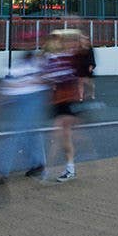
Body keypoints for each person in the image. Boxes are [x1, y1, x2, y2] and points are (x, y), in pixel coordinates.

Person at [0, 49, 48, 208]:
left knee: (16, 133)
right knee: (29, 131)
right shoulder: (22, 64)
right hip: (29, 97)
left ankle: (1, 171)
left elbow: (41, 80)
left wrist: (3, 98)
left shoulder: (30, 63)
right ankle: (38, 163)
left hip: (30, 98)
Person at [42, 32, 83, 181]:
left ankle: (49, 170)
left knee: (59, 134)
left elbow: (55, 77)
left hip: (66, 101)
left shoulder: (63, 59)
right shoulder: (55, 59)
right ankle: (68, 168)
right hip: (60, 101)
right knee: (64, 136)